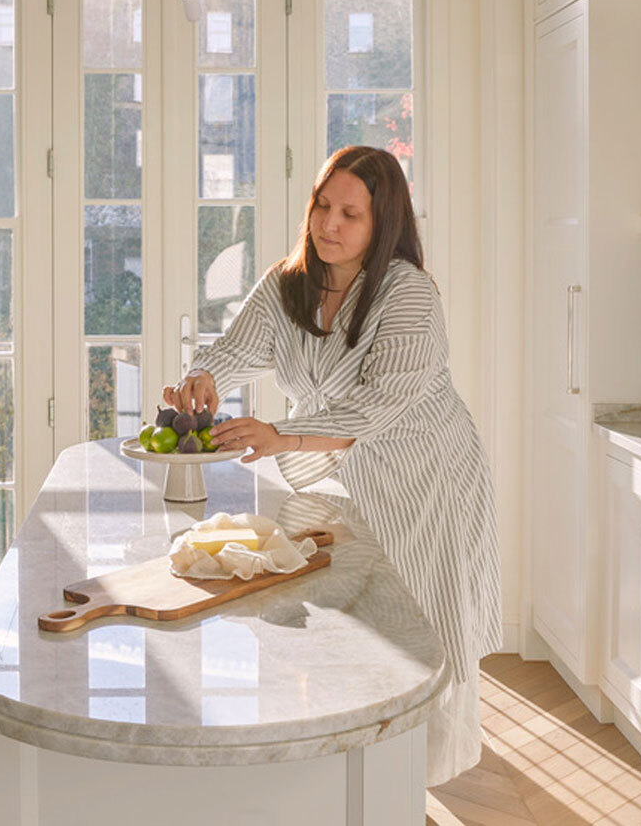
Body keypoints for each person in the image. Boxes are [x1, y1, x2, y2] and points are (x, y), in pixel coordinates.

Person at [164, 145, 500, 786]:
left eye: (350, 213)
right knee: (346, 624)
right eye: (323, 205)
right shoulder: (290, 283)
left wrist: (279, 434)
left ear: (384, 225)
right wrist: (203, 376)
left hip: (427, 479)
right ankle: (344, 779)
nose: (329, 225)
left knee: (422, 625)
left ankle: (410, 786)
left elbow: (377, 406)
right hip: (337, 477)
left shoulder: (409, 294)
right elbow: (238, 346)